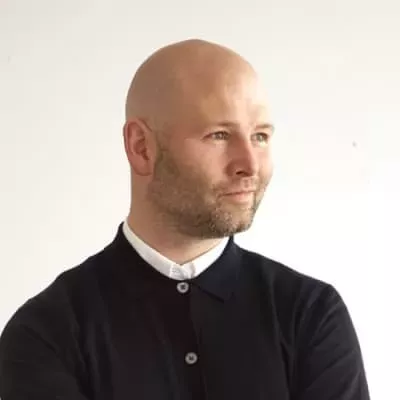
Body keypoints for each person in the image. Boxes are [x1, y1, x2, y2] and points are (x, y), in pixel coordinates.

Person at [0, 39, 370, 400]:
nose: (249, 165)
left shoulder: (310, 316)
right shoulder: (46, 334)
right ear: (142, 148)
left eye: (260, 136)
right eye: (219, 135)